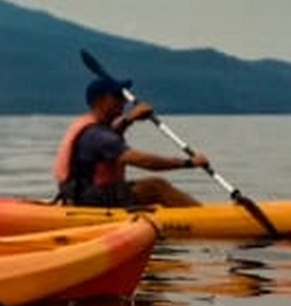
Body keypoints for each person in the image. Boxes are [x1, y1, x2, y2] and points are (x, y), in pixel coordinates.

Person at [54, 73, 206, 207]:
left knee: (146, 190)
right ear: (100, 101)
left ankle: (195, 213)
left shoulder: (95, 127)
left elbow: (112, 135)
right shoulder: (97, 135)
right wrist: (188, 163)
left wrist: (129, 119)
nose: (124, 101)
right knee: (156, 187)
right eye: (117, 96)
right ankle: (204, 217)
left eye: (123, 96)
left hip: (83, 195)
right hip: (92, 199)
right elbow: (143, 161)